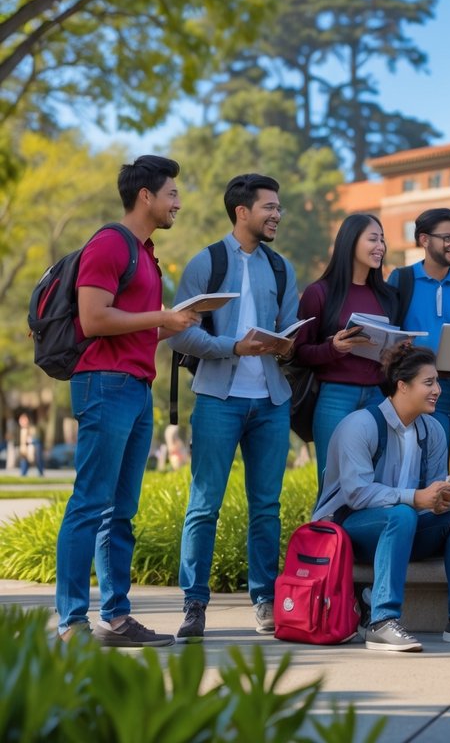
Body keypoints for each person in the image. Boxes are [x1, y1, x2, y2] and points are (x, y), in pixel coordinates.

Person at [55, 155, 200, 646]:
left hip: (135, 388)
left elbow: (131, 330)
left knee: (120, 511)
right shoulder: (109, 244)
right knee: (90, 503)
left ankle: (116, 618)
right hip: (104, 384)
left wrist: (174, 324)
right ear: (146, 196)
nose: (178, 202)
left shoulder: (146, 252)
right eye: (172, 194)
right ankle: (72, 622)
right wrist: (162, 317)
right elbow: (93, 320)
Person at [168, 173, 300, 641]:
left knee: (266, 507)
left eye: (278, 207)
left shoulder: (282, 268)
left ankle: (264, 600)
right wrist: (233, 347)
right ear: (242, 211)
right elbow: (180, 331)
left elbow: (291, 331)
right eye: (269, 207)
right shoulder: (207, 261)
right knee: (204, 505)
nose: (277, 215)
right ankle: (194, 603)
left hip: (270, 401)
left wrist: (285, 345)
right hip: (218, 400)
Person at [313, 344, 450, 650]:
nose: (438, 391)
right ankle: (382, 622)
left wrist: (441, 498)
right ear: (402, 386)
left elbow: (431, 491)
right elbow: (356, 493)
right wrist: (415, 498)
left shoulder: (432, 430)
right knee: (401, 513)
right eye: (428, 383)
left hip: (404, 525)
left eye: (437, 382)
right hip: (348, 529)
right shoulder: (360, 426)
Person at [295, 214, 399, 487]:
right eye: (373, 239)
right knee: (333, 483)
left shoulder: (388, 296)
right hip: (334, 397)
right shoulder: (319, 293)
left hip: (378, 397)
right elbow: (300, 352)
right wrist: (333, 348)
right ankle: (330, 531)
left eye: (383, 240)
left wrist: (396, 352)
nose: (381, 247)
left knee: (375, 481)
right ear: (351, 242)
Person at [387, 208, 450, 444]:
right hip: (420, 387)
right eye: (448, 238)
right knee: (430, 458)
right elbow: (388, 334)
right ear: (424, 239)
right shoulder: (402, 280)